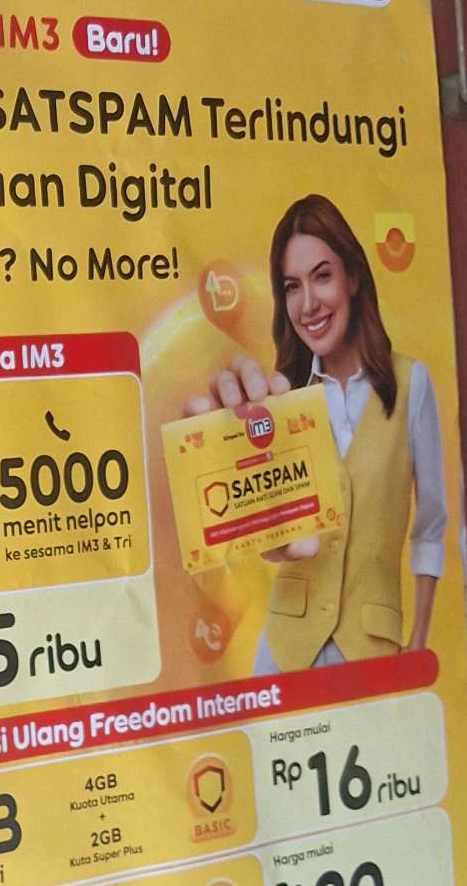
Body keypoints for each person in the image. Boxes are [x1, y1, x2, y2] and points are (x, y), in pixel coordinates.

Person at [185, 195, 448, 671]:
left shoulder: (412, 384)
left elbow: (430, 524)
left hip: (372, 646)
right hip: (284, 648)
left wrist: (418, 641)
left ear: (353, 277)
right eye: (292, 286)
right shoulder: (280, 400)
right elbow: (261, 532)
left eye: (322, 276)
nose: (307, 304)